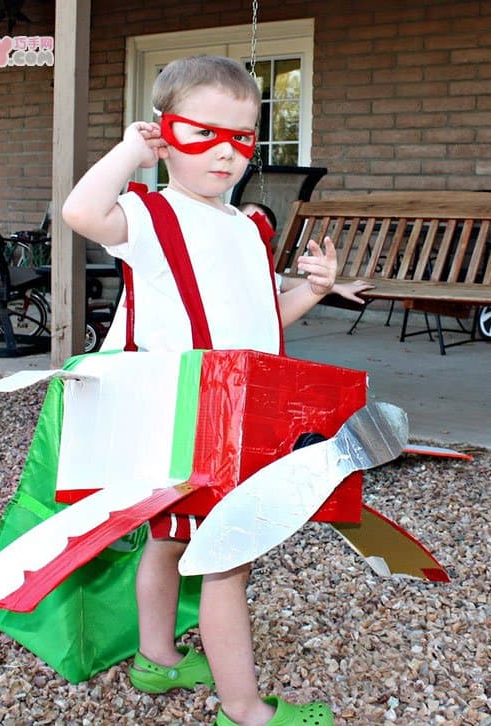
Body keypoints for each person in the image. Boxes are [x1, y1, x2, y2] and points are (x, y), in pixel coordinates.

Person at [62, 55, 335, 726]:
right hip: (183, 415)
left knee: (171, 542)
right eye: (201, 133)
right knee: (230, 559)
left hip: (241, 412)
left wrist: (315, 289)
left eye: (242, 138)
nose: (226, 152)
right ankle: (245, 708)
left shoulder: (247, 227)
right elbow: (79, 211)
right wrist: (130, 153)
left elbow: (260, 314)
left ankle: (157, 656)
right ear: (164, 132)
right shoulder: (151, 215)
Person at [237, 202, 375, 303]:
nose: (250, 233)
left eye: (260, 233)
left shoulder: (255, 272)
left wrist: (336, 287)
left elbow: (283, 281)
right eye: (247, 222)